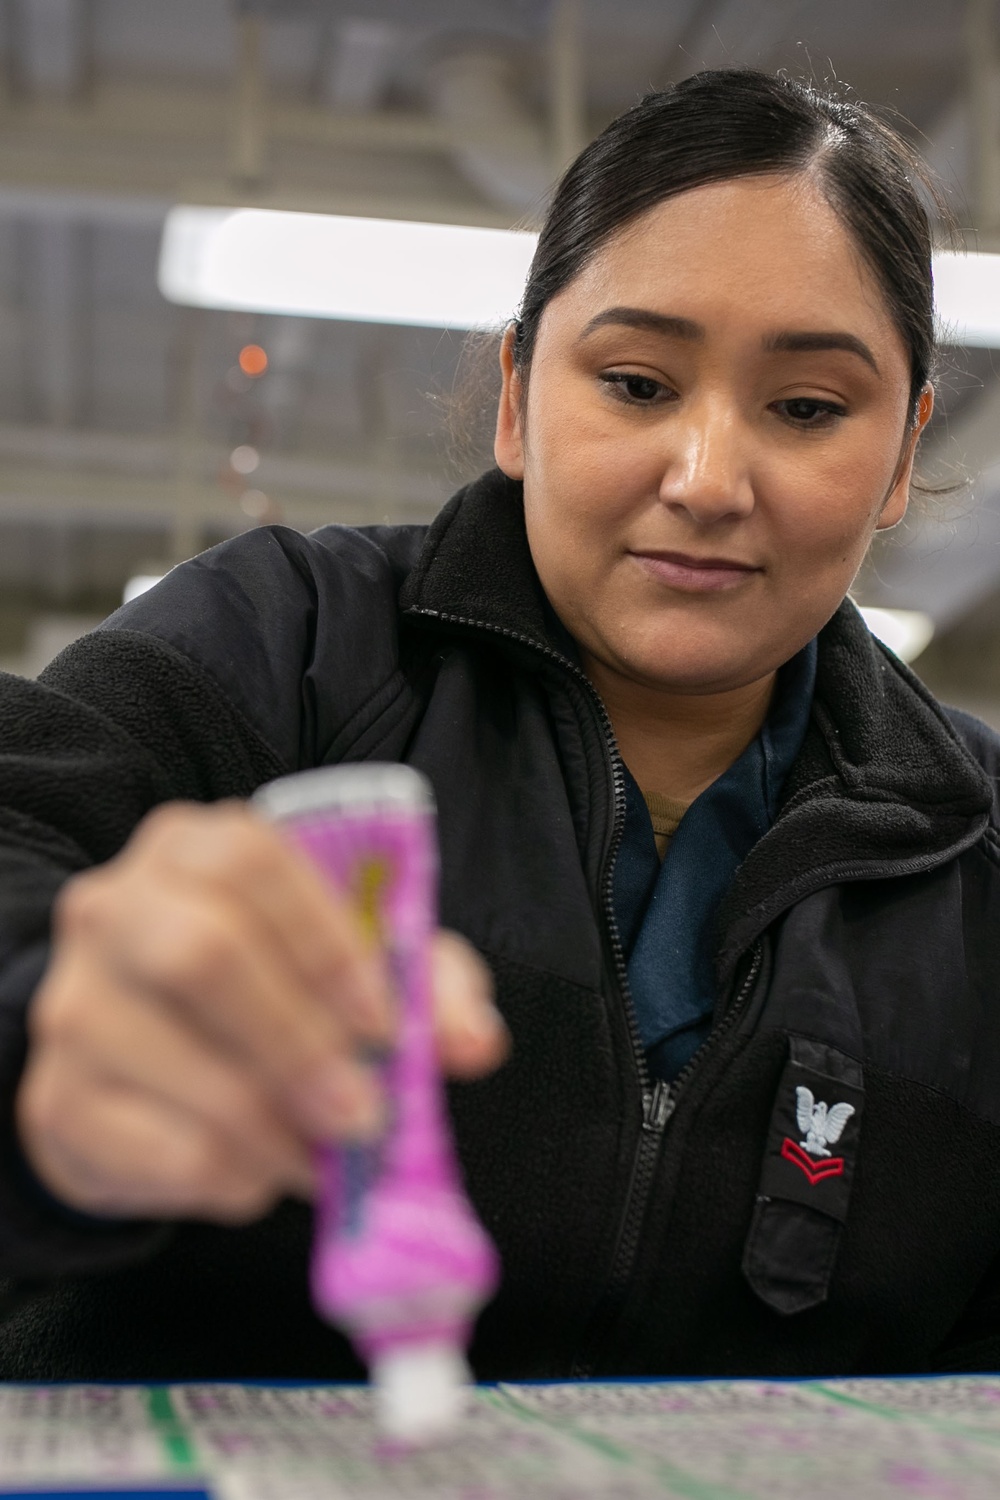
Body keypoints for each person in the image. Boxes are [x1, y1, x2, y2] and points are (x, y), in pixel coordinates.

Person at [0, 65, 998, 1384]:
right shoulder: (282, 648)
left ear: (900, 449)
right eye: (638, 384)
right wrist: (46, 1032)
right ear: (521, 401)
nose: (706, 481)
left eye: (807, 408)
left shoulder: (970, 848)